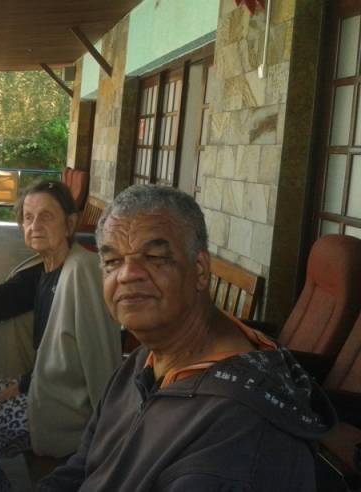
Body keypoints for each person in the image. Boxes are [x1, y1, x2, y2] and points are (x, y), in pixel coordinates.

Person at [38, 184, 336, 492]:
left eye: (154, 256)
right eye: (112, 261)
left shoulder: (240, 429)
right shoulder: (145, 360)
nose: (127, 274)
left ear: (201, 270)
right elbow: (85, 464)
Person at [0, 180, 121, 491]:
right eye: (28, 217)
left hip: (66, 407)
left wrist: (106, 437)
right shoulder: (40, 269)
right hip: (38, 385)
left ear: (70, 223)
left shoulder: (82, 271)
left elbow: (99, 360)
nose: (34, 225)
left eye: (46, 216)